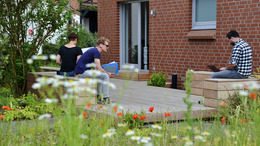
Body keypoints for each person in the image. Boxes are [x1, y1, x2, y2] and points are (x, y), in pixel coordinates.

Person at [74, 37, 114, 104]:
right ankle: (105, 98)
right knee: (105, 76)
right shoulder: (96, 52)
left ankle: (98, 97)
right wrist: (108, 73)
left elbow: (96, 68)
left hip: (80, 73)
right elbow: (98, 67)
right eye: (107, 45)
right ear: (101, 45)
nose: (108, 47)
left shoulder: (93, 50)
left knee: (99, 75)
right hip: (82, 73)